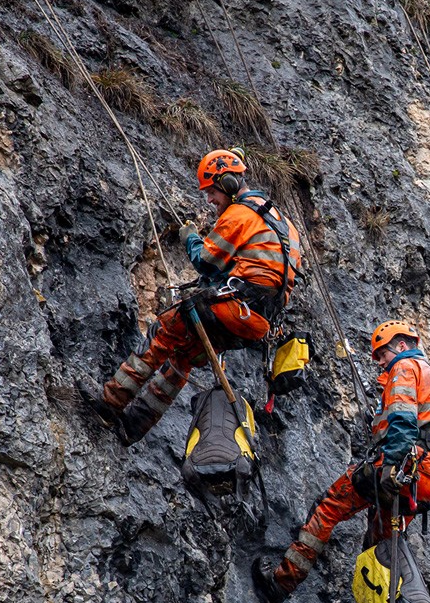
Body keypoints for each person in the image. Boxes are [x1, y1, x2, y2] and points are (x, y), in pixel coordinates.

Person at [86, 149, 302, 444]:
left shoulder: (240, 214)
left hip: (233, 308)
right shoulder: (284, 225)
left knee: (163, 332)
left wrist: (190, 238)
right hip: (257, 325)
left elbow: (206, 261)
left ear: (227, 183)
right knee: (184, 356)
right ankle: (132, 428)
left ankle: (109, 406)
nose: (210, 200)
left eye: (212, 192)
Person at [252, 320, 430, 603]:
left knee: (330, 506)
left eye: (383, 355)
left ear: (400, 346)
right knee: (381, 549)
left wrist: (390, 464)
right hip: (429, 478)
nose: (382, 363)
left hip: (401, 466)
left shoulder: (405, 367)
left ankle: (281, 583)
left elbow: (404, 420)